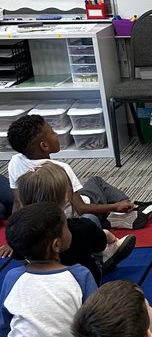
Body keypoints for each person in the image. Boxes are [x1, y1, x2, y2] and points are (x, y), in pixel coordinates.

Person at [5, 112, 141, 273]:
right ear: (44, 145)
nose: (56, 133)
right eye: (52, 132)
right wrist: (115, 206)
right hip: (72, 221)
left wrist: (13, 240)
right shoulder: (60, 169)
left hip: (40, 227)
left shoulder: (15, 162)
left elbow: (17, 203)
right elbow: (81, 208)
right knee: (95, 184)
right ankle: (124, 216)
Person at [0, 203, 96, 337]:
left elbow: (4, 324)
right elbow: (96, 321)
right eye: (67, 226)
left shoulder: (13, 277)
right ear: (57, 245)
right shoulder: (79, 275)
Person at [17, 163, 108, 285]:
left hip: (39, 274)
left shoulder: (21, 229)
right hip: (85, 277)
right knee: (92, 219)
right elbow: (100, 244)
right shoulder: (80, 227)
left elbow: (17, 254)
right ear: (66, 197)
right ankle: (109, 255)